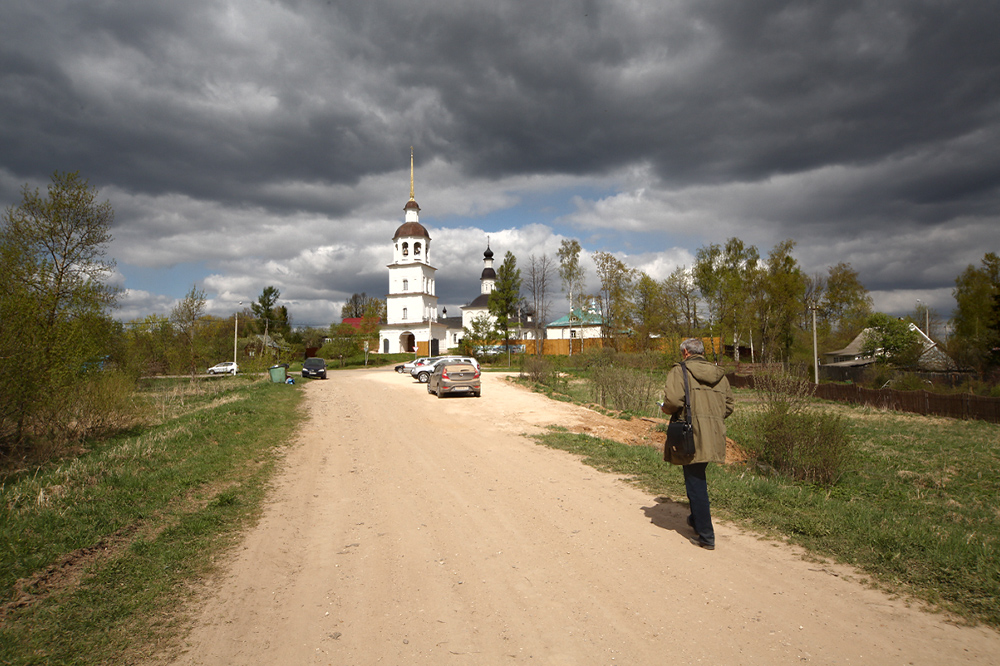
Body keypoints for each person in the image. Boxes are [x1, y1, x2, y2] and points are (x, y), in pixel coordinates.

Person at [661, 337, 734, 550]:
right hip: (714, 433)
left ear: (685, 352)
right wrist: (711, 418)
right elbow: (729, 406)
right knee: (696, 477)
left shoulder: (680, 370)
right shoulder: (719, 374)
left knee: (696, 483)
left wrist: (665, 409)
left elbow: (673, 401)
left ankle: (706, 535)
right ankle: (694, 519)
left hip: (690, 433)